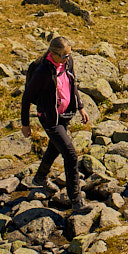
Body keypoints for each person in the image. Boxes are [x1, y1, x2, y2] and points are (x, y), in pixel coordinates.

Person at [21, 36, 91, 214]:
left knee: (54, 147)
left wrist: (80, 107)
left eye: (69, 55)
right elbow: (27, 97)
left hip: (65, 114)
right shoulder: (43, 71)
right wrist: (25, 124)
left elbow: (72, 84)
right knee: (71, 155)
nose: (68, 58)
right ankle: (76, 201)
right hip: (50, 118)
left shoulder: (67, 62)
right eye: (65, 56)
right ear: (54, 54)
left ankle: (40, 177)